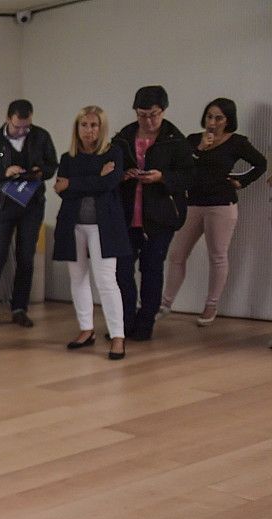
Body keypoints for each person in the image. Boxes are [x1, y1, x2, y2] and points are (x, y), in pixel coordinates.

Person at [162, 98, 267, 325]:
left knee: (217, 256)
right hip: (192, 204)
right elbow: (183, 166)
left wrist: (242, 181)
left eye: (218, 118)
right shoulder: (191, 140)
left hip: (221, 205)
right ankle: (165, 303)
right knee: (177, 253)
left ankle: (211, 305)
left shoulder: (237, 142)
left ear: (227, 120)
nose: (212, 122)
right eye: (209, 116)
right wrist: (200, 148)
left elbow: (261, 163)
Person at [111, 85, 193, 341]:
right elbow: (110, 169)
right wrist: (122, 175)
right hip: (126, 215)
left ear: (164, 111)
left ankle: (145, 325)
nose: (148, 120)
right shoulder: (123, 137)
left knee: (151, 270)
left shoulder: (176, 140)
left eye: (154, 114)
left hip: (159, 217)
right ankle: (124, 324)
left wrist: (162, 177)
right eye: (142, 114)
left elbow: (189, 176)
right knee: (121, 271)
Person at [52, 106, 129, 360]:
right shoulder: (68, 157)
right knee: (78, 278)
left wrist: (74, 182)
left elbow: (109, 184)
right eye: (84, 125)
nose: (88, 130)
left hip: (104, 226)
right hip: (73, 225)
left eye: (94, 125)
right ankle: (86, 329)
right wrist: (93, 178)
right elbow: (60, 190)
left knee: (106, 281)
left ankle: (118, 336)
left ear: (101, 127)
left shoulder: (113, 153)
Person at [0, 99, 58, 327]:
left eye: (26, 126)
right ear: (8, 119)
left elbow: (53, 165)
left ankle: (20, 308)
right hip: (2, 204)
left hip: (31, 204)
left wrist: (41, 171)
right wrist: (5, 172)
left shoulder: (41, 136)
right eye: (17, 126)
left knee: (26, 258)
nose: (22, 130)